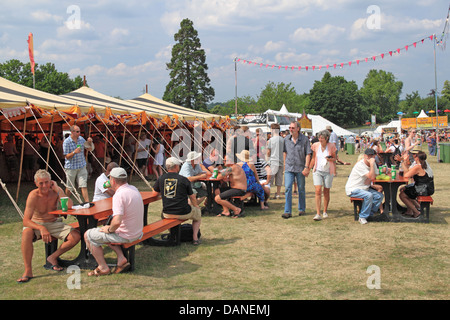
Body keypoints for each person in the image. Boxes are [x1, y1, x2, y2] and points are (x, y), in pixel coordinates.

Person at [17, 169, 81, 283]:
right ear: (36, 183)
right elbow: (26, 221)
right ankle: (28, 270)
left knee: (76, 236)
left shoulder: (56, 191)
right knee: (26, 232)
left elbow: (70, 206)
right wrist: (41, 228)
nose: (44, 185)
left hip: (54, 223)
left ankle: (52, 257)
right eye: (41, 183)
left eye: (47, 182)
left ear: (51, 181)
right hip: (37, 223)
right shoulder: (33, 195)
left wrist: (58, 190)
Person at [84, 167, 144, 276]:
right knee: (105, 231)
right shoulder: (134, 189)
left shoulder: (119, 195)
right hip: (138, 232)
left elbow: (116, 222)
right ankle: (121, 258)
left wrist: (109, 229)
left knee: (88, 235)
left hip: (127, 235)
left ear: (113, 181)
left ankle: (103, 267)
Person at [153, 157, 202, 245]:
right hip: (183, 212)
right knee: (198, 215)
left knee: (163, 214)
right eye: (179, 165)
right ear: (176, 166)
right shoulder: (183, 179)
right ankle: (195, 238)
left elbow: (154, 193)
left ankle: (173, 235)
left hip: (167, 213)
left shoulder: (161, 178)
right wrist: (196, 206)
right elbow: (192, 197)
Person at [345, 148, 384, 225]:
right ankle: (362, 217)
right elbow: (371, 176)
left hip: (364, 188)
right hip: (354, 188)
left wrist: (369, 179)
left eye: (371, 156)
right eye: (368, 155)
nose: (370, 157)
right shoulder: (360, 165)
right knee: (369, 195)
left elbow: (374, 176)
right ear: (365, 156)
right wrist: (372, 167)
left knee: (379, 196)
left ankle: (369, 214)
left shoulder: (373, 164)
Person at [282, 121, 312, 219]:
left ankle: (302, 209)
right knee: (288, 188)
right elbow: (285, 152)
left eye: (293, 128)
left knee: (301, 189)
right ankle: (287, 211)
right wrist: (284, 165)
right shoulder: (286, 139)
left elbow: (308, 153)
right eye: (290, 127)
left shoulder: (305, 139)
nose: (291, 129)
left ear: (298, 128)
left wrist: (306, 167)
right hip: (289, 168)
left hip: (301, 167)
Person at [309, 130, 337, 221]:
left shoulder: (331, 146)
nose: (320, 139)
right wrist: (308, 168)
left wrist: (330, 159)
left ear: (327, 138)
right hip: (318, 170)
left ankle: (325, 210)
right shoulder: (315, 145)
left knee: (326, 191)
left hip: (328, 171)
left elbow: (334, 158)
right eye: (319, 137)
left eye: (322, 138)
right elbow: (313, 158)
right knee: (317, 190)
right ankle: (318, 213)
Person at [398, 150, 434, 218]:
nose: (413, 156)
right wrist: (404, 161)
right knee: (405, 190)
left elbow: (406, 175)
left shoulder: (418, 167)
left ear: (417, 158)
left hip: (423, 189)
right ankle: (415, 208)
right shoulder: (423, 164)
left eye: (414, 156)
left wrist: (402, 162)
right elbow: (409, 171)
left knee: (402, 195)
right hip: (427, 187)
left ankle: (416, 212)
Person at [63, 125, 93, 202]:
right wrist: (74, 152)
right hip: (71, 167)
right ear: (72, 132)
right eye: (77, 131)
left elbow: (89, 149)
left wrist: (90, 142)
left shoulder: (81, 139)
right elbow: (66, 156)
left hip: (81, 166)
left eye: (79, 131)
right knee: (70, 187)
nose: (79, 133)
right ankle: (65, 203)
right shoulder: (67, 142)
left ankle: (87, 203)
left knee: (83, 185)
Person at [266, 123, 284, 199]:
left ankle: (268, 193)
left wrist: (268, 155)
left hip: (273, 160)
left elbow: (269, 151)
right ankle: (278, 194)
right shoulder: (282, 139)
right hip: (281, 161)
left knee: (270, 178)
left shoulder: (271, 140)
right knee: (279, 178)